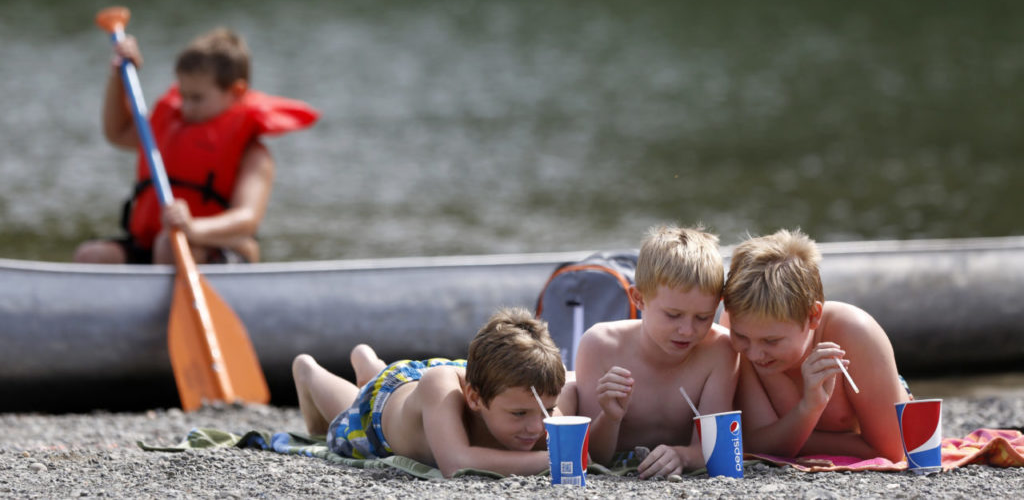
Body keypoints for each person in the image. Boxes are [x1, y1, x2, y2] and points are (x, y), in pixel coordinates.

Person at [73, 27, 318, 265]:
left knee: (169, 244)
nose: (186, 107)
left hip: (214, 244)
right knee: (90, 255)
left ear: (236, 91)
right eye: (183, 95)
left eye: (197, 98)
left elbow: (248, 219)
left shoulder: (253, 154)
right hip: (159, 244)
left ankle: (178, 301)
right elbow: (117, 133)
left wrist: (193, 227)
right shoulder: (171, 125)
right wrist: (119, 77)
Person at [291, 307, 568, 478]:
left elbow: (585, 448)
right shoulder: (449, 389)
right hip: (385, 405)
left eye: (549, 410)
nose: (537, 426)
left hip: (467, 376)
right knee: (347, 416)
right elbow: (456, 464)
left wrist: (605, 420)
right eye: (519, 414)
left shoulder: (521, 394)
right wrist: (556, 459)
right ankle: (310, 372)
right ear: (474, 399)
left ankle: (369, 365)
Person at [721, 228, 910, 461]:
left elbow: (891, 450)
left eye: (771, 341)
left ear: (812, 316)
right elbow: (754, 443)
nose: (754, 353)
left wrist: (789, 438)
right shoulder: (736, 329)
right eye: (741, 337)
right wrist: (809, 408)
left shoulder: (855, 333)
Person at [573, 224, 739, 479]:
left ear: (717, 306)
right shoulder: (600, 346)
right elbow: (593, 456)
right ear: (638, 299)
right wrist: (610, 417)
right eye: (673, 315)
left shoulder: (719, 350)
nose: (687, 330)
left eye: (703, 317)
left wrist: (682, 456)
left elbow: (716, 447)